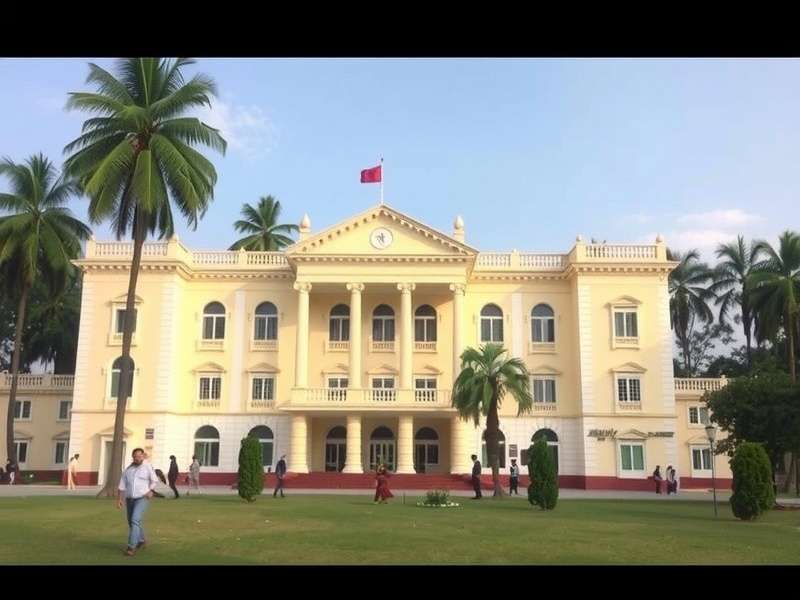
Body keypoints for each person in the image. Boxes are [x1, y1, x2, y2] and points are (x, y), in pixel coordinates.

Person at [117, 448, 159, 557]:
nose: (137, 458)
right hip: (130, 499)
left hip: (143, 498)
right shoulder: (128, 470)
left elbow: (154, 480)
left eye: (140, 456)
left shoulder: (147, 467)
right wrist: (119, 500)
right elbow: (122, 485)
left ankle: (131, 547)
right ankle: (141, 540)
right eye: (135, 456)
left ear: (143, 456)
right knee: (132, 522)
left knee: (135, 519)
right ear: (133, 457)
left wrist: (151, 491)